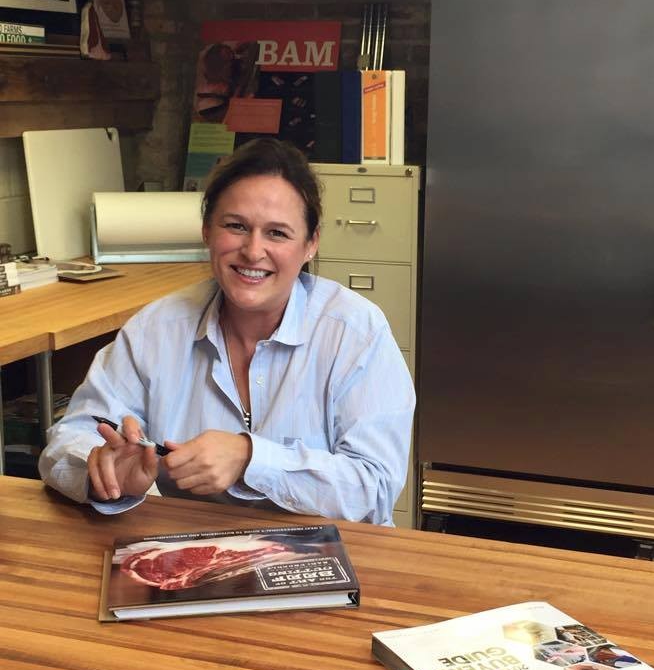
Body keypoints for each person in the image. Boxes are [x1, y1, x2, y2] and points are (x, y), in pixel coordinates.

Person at [39, 138, 415, 526]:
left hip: (330, 553)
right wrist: (103, 473)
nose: (253, 251)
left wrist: (250, 458)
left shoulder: (355, 333)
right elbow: (67, 441)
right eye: (236, 226)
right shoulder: (156, 330)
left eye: (277, 233)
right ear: (206, 230)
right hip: (195, 551)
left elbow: (375, 488)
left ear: (310, 244)